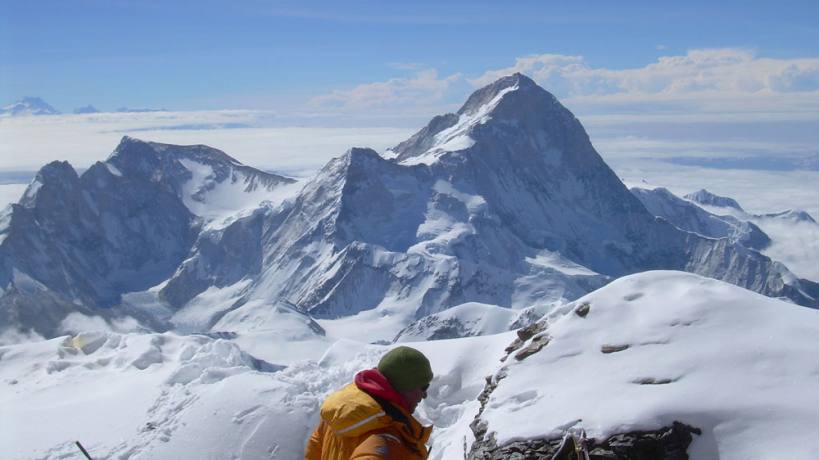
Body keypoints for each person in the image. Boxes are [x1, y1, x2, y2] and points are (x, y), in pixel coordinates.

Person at [305, 346, 434, 459]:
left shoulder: (343, 412)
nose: (425, 395)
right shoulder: (385, 437)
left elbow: (315, 447)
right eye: (423, 387)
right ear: (403, 387)